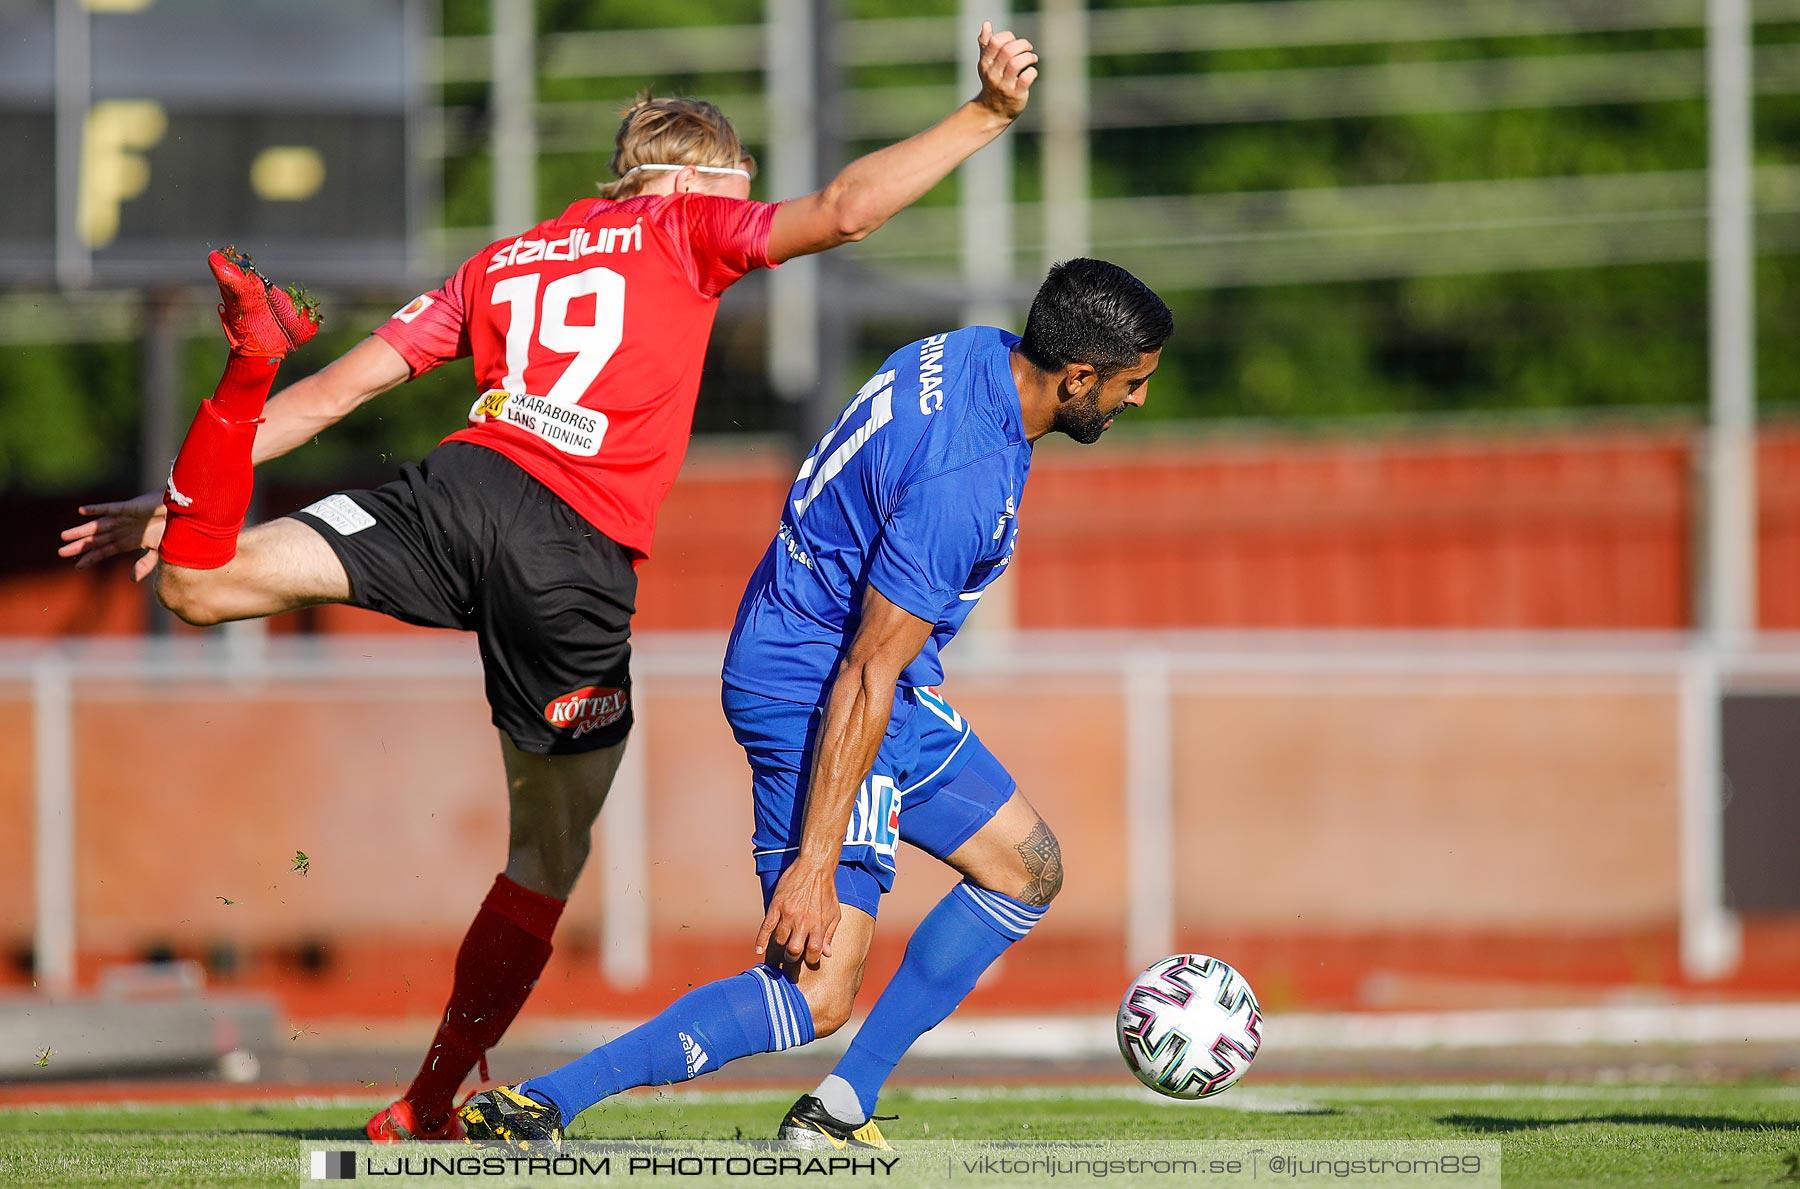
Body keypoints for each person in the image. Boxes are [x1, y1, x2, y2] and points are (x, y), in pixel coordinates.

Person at [56, 22, 1040, 1144]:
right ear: (691, 177)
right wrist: (986, 116)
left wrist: (189, 492)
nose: (750, 193)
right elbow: (852, 207)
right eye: (740, 179)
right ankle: (428, 1103)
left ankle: (240, 364)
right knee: (546, 853)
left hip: (455, 489)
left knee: (198, 582)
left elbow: (327, 403)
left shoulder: (507, 257)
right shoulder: (685, 224)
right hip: (566, 555)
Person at [457, 258, 1173, 1151]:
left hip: (860, 674)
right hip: (818, 688)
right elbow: (866, 670)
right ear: (1077, 376)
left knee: (1026, 867)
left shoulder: (973, 352)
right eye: (1131, 383)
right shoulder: (968, 475)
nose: (1136, 400)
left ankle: (837, 1109)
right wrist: (815, 861)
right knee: (816, 991)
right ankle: (546, 1103)